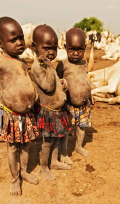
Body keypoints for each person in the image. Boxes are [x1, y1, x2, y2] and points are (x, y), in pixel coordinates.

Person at [0, 17, 39, 196]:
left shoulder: (23, 62)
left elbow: (27, 84)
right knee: (13, 147)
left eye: (21, 38)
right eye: (13, 39)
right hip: (11, 115)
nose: (19, 43)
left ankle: (24, 172)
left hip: (26, 115)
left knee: (26, 145)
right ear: (0, 43)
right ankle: (15, 178)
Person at [31, 25, 72, 181]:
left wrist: (62, 82)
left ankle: (54, 162)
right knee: (47, 142)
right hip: (47, 112)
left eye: (54, 48)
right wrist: (49, 67)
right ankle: (43, 168)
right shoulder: (37, 66)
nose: (51, 52)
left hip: (56, 111)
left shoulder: (47, 65)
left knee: (56, 137)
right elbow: (47, 86)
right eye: (47, 48)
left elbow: (53, 82)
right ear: (34, 47)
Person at [56, 27, 94, 165]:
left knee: (82, 127)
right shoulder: (63, 64)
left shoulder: (84, 64)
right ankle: (64, 153)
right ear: (65, 47)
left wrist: (90, 96)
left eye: (80, 50)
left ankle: (78, 146)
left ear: (84, 48)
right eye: (72, 50)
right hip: (68, 105)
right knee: (66, 129)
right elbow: (57, 82)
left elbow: (86, 80)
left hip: (83, 105)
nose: (76, 53)